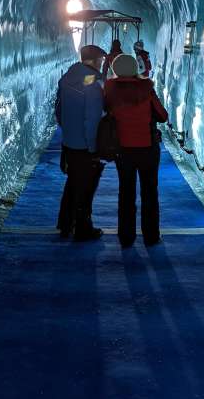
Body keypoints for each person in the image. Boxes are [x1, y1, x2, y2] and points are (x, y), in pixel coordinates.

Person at [104, 53, 168, 247]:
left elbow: (106, 110)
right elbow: (162, 115)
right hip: (147, 148)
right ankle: (151, 236)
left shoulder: (110, 88)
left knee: (126, 192)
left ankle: (126, 237)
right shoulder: (147, 88)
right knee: (149, 192)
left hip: (123, 149)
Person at [54, 44, 107, 241]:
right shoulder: (91, 82)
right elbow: (92, 119)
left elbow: (58, 110)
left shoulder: (68, 76)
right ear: (93, 61)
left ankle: (65, 223)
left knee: (72, 183)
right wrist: (93, 148)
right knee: (86, 188)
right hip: (84, 145)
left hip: (69, 141)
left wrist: (67, 130)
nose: (102, 64)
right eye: (100, 60)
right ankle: (83, 228)